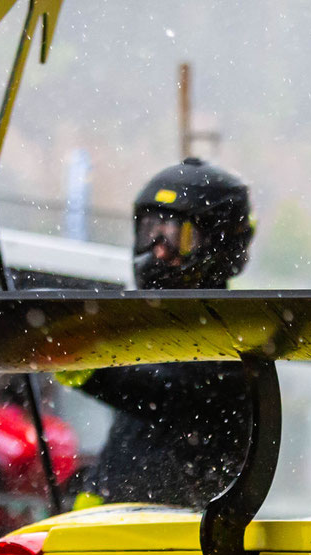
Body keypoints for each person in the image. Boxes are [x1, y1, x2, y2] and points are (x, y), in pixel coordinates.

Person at [63, 159, 257, 508]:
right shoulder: (158, 326)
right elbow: (139, 431)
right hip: (108, 529)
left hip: (180, 539)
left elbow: (169, 394)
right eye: (150, 230)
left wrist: (85, 365)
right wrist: (92, 491)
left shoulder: (233, 336)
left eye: (178, 236)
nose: (159, 249)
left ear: (220, 245)